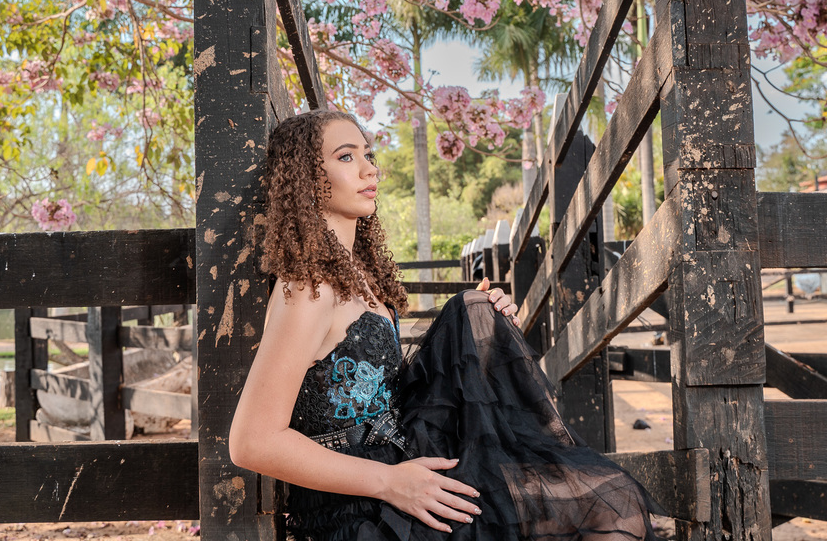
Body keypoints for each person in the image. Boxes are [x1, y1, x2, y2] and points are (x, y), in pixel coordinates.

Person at [229, 109, 660, 540]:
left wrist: (484, 322)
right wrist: (390, 483)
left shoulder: (356, 274)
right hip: (363, 505)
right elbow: (253, 442)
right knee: (608, 507)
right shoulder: (308, 288)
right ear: (306, 177)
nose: (368, 169)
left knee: (606, 499)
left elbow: (376, 378)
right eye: (345, 157)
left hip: (408, 467)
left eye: (368, 155)